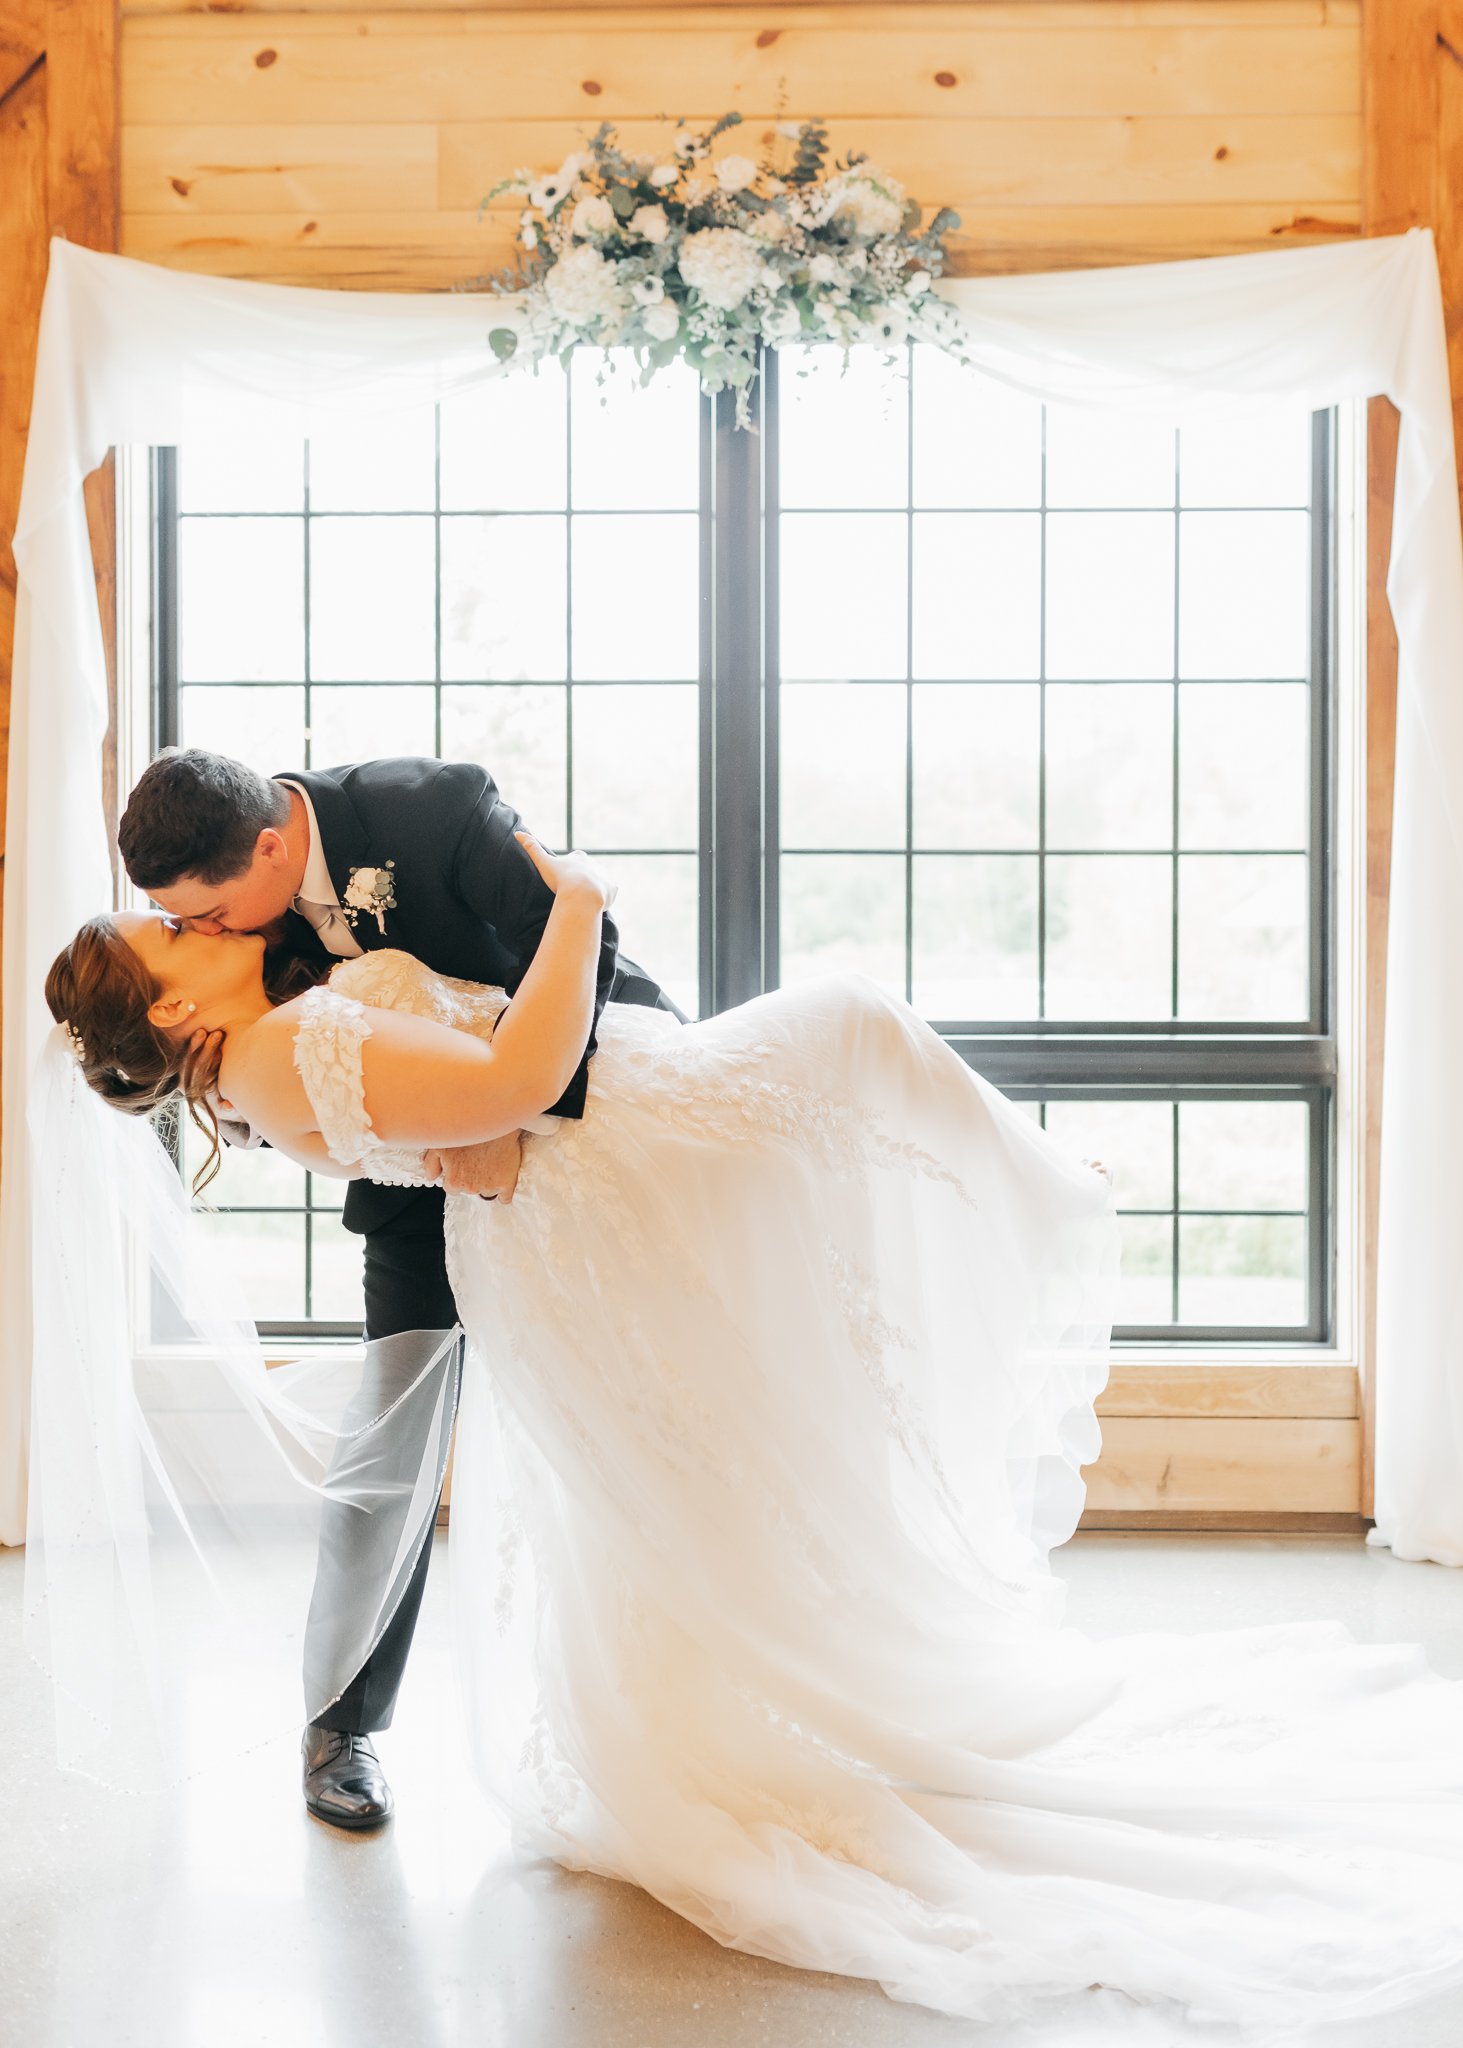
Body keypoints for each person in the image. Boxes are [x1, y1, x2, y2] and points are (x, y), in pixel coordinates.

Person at [42, 837, 1463, 2034]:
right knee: (847, 1020)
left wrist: (471, 1108)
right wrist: (582, 905)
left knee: (703, 1457)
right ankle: (1046, 1199)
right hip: (589, 1185)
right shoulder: (287, 1049)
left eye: (173, 909)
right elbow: (517, 1091)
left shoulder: (285, 1024)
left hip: (571, 1207)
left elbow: (469, 1114)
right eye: (164, 940)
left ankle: (803, 1645)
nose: (187, 924)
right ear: (170, 1018)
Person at [112, 749, 682, 1828]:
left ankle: (678, 1686)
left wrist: (518, 1124)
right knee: (391, 1439)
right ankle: (342, 1726)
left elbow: (579, 929)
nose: (217, 935)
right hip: (415, 1180)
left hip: (584, 1116)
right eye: (188, 923)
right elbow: (254, 1059)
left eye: (218, 912)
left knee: (642, 1396)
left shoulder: (432, 810)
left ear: (271, 846)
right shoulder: (229, 897)